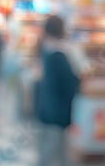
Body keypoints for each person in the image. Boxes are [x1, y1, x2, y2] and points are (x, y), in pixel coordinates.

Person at [37, 15, 80, 166]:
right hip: (57, 109)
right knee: (54, 148)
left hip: (46, 106)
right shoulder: (60, 54)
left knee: (47, 147)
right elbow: (69, 83)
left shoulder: (44, 48)